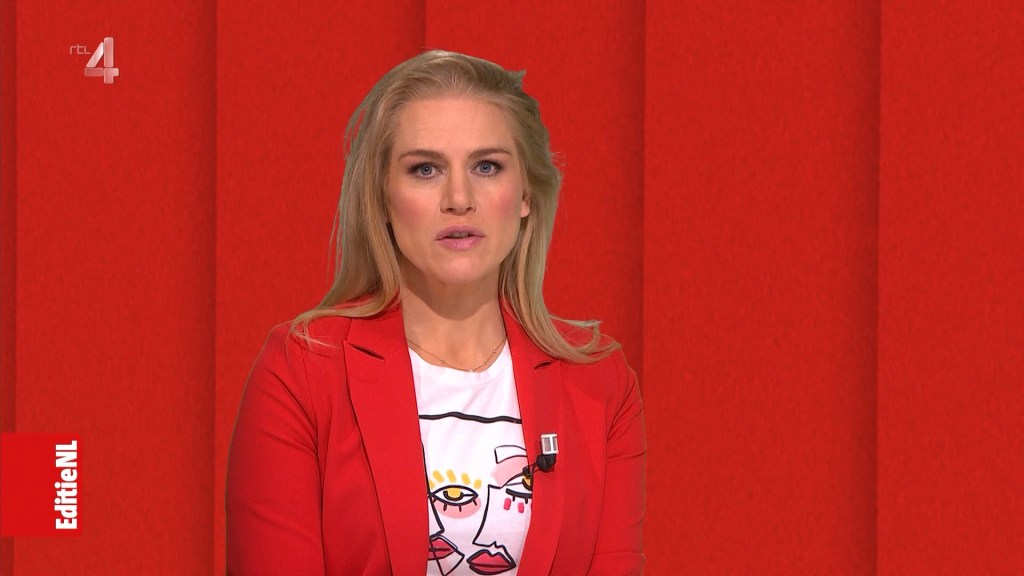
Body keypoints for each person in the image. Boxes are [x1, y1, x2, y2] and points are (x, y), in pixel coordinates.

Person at [226, 49, 645, 575]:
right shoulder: (303, 371)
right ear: (382, 198)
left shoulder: (598, 382)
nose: (459, 198)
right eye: (425, 169)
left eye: (487, 166)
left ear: (525, 196)